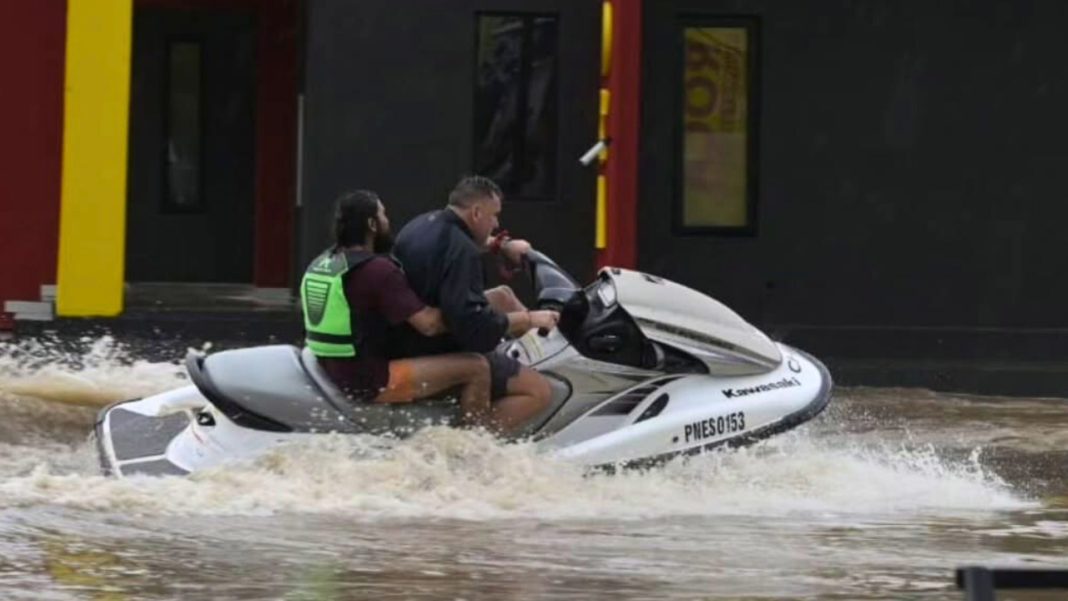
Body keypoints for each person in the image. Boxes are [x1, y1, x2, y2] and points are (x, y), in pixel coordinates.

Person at [301, 190, 502, 429]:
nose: (388, 221)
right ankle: (475, 449)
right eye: (383, 215)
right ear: (372, 224)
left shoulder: (326, 262)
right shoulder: (377, 271)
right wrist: (473, 315)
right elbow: (429, 325)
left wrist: (492, 246)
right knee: (476, 367)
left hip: (332, 367)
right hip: (369, 380)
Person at [391, 175, 559, 433]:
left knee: (503, 295)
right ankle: (474, 445)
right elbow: (474, 328)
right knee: (538, 391)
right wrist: (531, 319)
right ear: (477, 213)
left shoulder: (422, 224)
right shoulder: (463, 253)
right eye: (494, 216)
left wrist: (501, 244)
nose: (497, 223)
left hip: (406, 331)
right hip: (432, 349)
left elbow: (453, 247)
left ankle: (548, 353)